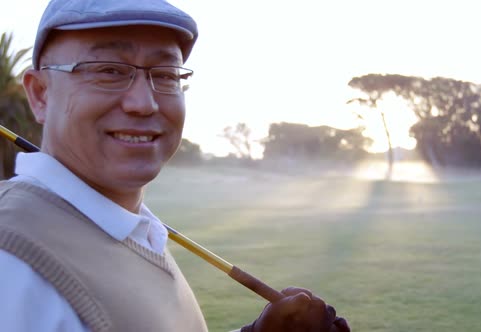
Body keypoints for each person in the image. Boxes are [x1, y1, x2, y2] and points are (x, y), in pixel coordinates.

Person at [0, 0, 350, 331]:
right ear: (41, 94)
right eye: (108, 70)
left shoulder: (131, 226)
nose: (144, 103)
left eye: (166, 74)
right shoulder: (12, 264)